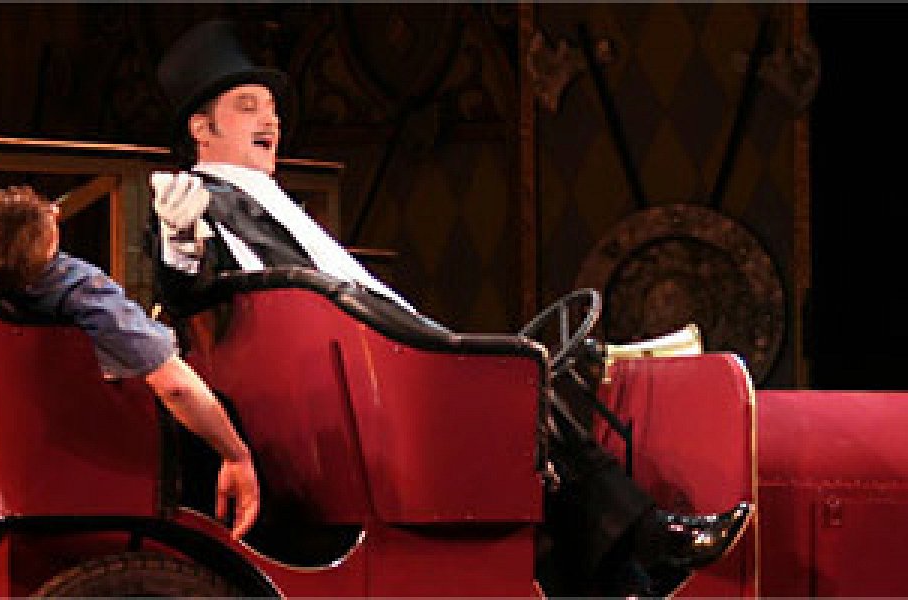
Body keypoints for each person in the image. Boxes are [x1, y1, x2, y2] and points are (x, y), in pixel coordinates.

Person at [150, 20, 752, 596]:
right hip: (355, 413)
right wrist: (180, 243)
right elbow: (188, 291)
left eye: (273, 109)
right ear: (202, 128)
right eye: (248, 107)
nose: (271, 120)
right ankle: (645, 539)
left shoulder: (270, 200)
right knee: (526, 387)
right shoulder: (201, 201)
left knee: (543, 385)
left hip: (386, 381)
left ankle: (613, 564)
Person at [0, 186, 260, 540]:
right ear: (47, 252)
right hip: (53, 443)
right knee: (222, 416)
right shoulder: (77, 287)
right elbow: (175, 385)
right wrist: (236, 455)